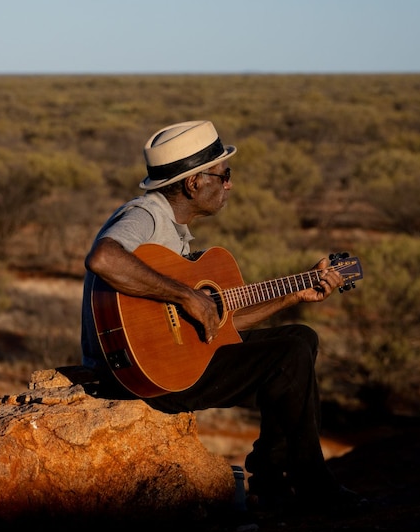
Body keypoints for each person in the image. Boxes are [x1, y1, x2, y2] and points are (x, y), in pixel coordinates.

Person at [81, 120, 361, 511]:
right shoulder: (147, 215)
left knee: (299, 339)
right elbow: (103, 257)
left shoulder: (176, 233)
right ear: (193, 183)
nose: (228, 184)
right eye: (223, 175)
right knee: (287, 357)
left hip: (169, 364)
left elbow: (220, 328)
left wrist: (292, 295)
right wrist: (185, 295)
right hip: (141, 377)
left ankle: (273, 479)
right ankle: (310, 485)